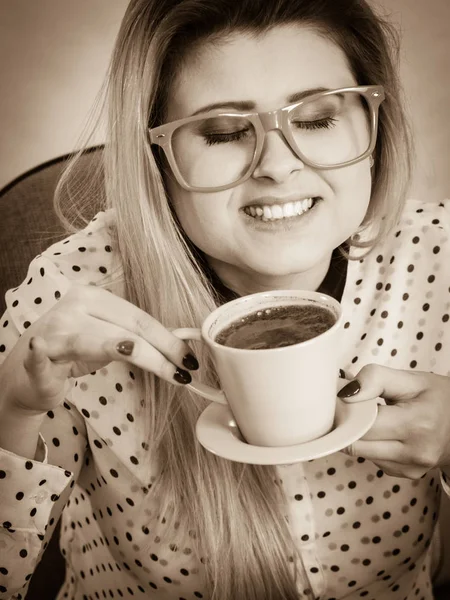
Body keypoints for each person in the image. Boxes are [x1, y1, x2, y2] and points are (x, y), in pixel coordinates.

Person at [0, 0, 449, 598]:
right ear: (157, 157)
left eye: (315, 119)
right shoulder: (70, 293)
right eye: (223, 132)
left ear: (374, 127)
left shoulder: (439, 257)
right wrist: (13, 406)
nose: (279, 166)